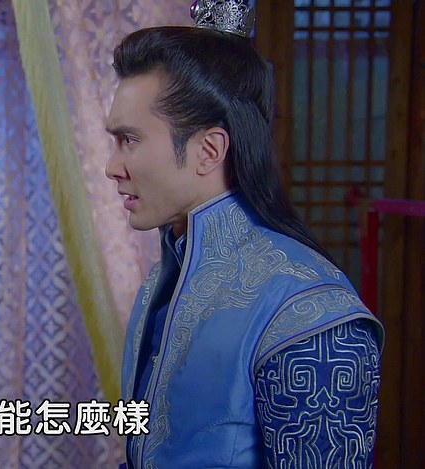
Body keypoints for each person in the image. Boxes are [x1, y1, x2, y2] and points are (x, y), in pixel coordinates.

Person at [105, 1, 383, 467]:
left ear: (208, 150)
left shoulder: (310, 316)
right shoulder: (163, 279)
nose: (112, 168)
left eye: (129, 140)